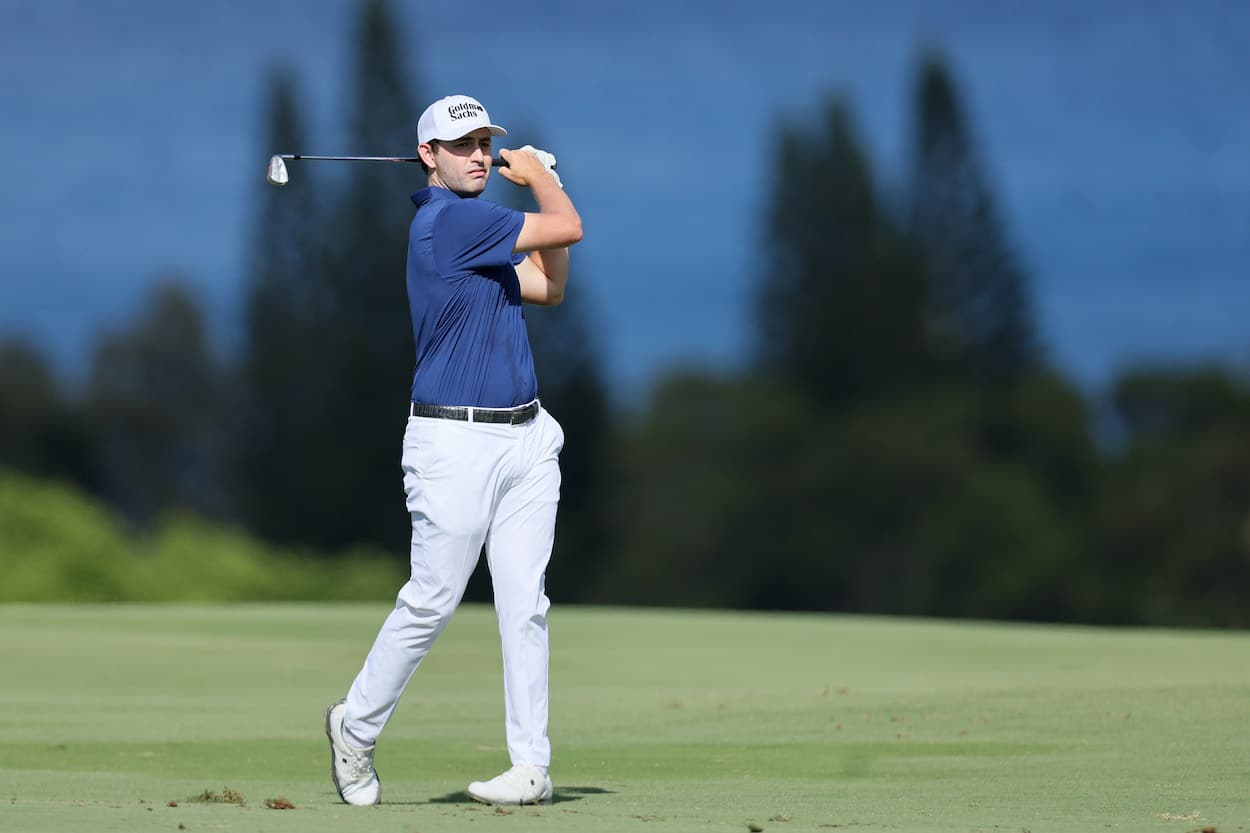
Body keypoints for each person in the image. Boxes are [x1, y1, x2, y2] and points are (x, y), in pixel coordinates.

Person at [323, 94, 583, 807]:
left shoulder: (485, 234)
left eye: (484, 143)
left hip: (527, 437)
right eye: (460, 144)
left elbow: (552, 284)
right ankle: (355, 726)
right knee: (433, 598)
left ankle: (531, 764)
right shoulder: (449, 222)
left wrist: (536, 194)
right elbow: (570, 224)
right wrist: (536, 175)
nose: (477, 154)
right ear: (428, 156)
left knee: (524, 604)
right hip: (453, 442)